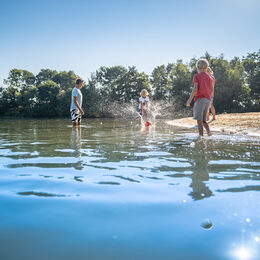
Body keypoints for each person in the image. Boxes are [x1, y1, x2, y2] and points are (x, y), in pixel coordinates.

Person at [186, 59, 214, 136]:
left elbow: (195, 89)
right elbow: (211, 89)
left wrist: (189, 100)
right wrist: (209, 99)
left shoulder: (196, 76)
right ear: (207, 68)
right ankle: (209, 134)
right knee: (204, 120)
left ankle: (201, 137)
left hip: (200, 100)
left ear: (198, 67)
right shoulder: (210, 78)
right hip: (208, 100)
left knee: (199, 120)